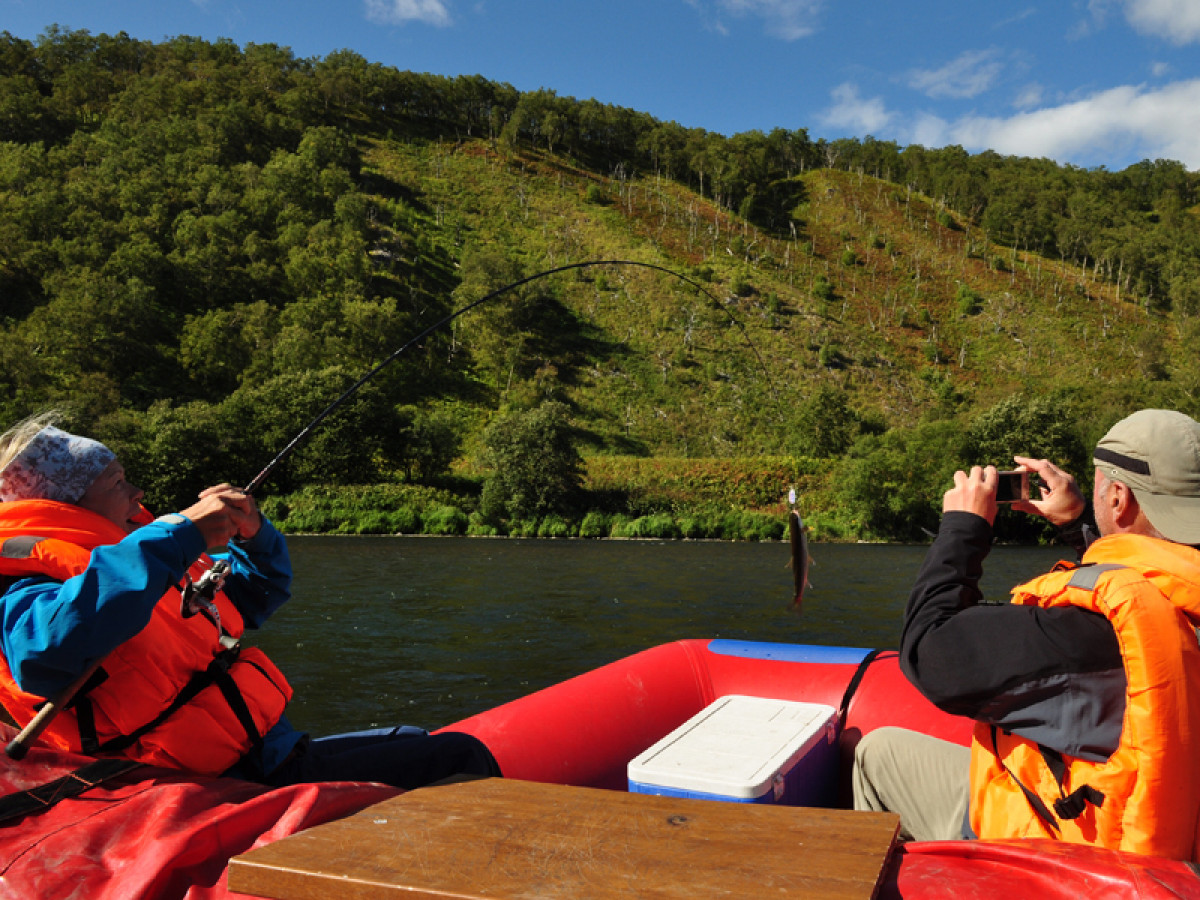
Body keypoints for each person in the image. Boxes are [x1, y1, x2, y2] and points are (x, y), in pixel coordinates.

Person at [0, 412, 501, 790]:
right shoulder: (28, 577)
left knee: (414, 737)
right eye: (116, 482)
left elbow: (255, 596)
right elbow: (44, 652)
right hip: (201, 783)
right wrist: (174, 537)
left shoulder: (129, 552)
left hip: (259, 754)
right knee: (460, 757)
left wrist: (253, 533)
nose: (136, 492)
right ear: (65, 503)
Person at [852, 408, 1200, 860]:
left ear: (1118, 498)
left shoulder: (1082, 636)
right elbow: (1155, 581)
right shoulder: (1180, 610)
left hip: (1066, 862)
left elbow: (928, 651)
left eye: (1098, 487)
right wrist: (1078, 524)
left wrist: (963, 530)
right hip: (1167, 859)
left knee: (876, 755)